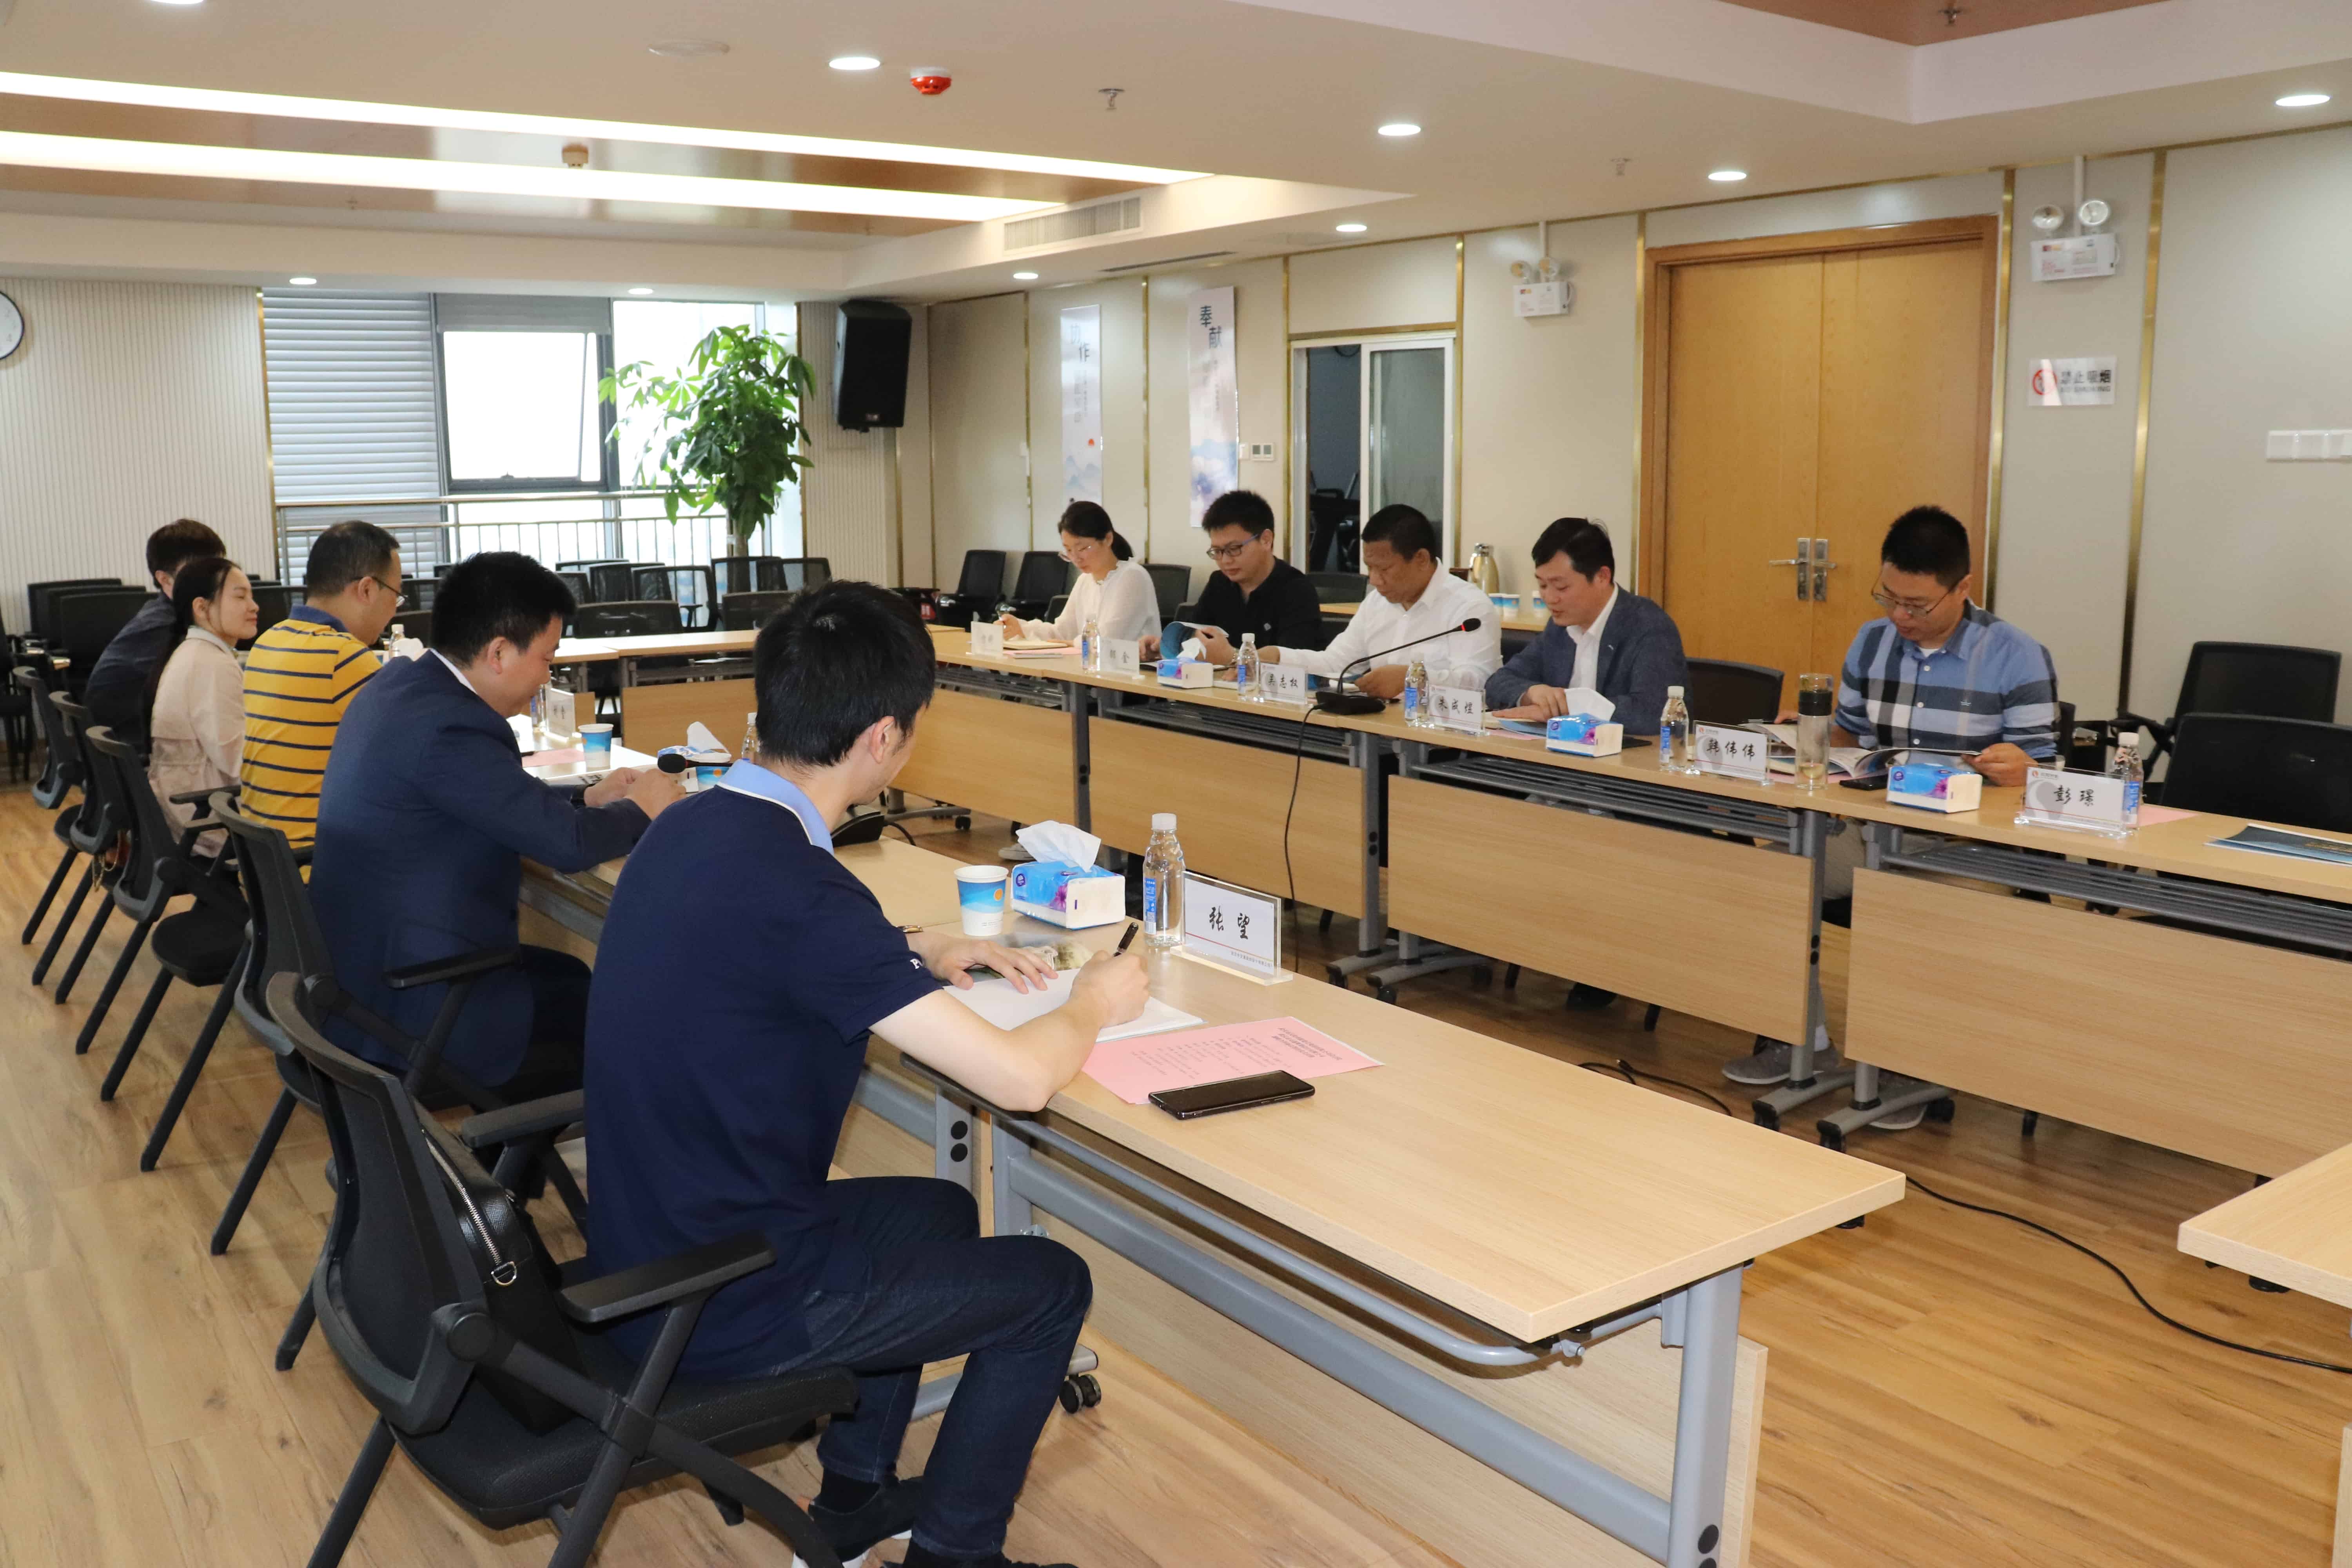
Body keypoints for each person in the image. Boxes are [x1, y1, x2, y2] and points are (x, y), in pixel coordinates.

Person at [586, 581, 1149, 1568]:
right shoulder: (805, 891)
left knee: (936, 1210)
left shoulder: (693, 824)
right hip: (725, 1298)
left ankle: (854, 1492)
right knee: (1051, 1284)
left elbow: (767, 945)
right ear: (885, 736)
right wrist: (1095, 1000)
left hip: (649, 1246)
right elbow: (1022, 1080)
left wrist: (910, 945)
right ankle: (955, 1555)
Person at [310, 552, 680, 1097]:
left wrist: (587, 795)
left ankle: (515, 1147)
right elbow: (568, 845)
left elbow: (486, 797)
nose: (549, 676)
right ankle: (515, 1148)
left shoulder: (402, 688)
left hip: (361, 983)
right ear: (500, 652)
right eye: (547, 658)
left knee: (575, 980)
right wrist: (643, 807)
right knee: (618, 1011)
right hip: (414, 1010)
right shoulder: (453, 727)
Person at [1828, 505, 2059, 788]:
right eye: (1889, 597)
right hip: (1878, 807)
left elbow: (2042, 769)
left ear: (1962, 588)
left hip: (1970, 813)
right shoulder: (1872, 640)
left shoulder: (2017, 655)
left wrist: (2024, 771)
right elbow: (1849, 734)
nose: (1899, 615)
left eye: (1917, 605)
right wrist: (1806, 733)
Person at [241, 520, 406, 846]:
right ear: (367, 590)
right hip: (315, 862)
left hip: (266, 862)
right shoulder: (343, 657)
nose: (394, 612)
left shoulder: (267, 643)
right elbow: (415, 753)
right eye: (396, 596)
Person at [1258, 504, 1499, 697]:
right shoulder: (1376, 603)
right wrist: (1279, 656)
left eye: (1384, 569)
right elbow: (1336, 664)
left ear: (1422, 559)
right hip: (1382, 729)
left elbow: (1479, 682)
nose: (1374, 580)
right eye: (1369, 568)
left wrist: (1412, 678)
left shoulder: (1469, 608)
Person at [1486, 518, 1688, 734]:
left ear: (1602, 577)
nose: (1550, 599)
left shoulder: (1648, 626)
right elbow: (1498, 683)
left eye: (1561, 587)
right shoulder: (1559, 628)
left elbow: (1653, 712)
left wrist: (1565, 708)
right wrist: (1531, 693)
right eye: (1543, 585)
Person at [143, 557, 258, 844]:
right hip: (207, 823)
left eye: (251, 596)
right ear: (201, 608)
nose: (254, 606)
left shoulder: (194, 652)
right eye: (240, 597)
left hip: (186, 812)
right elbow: (239, 764)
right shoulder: (212, 664)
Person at [83, 517, 227, 739]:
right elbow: (205, 690)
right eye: (201, 571)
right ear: (165, 580)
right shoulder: (162, 627)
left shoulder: (169, 614)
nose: (216, 580)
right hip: (132, 746)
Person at [1141, 489, 1323, 662]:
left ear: (1266, 540)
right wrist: (1165, 649)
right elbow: (1196, 638)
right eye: (1217, 551)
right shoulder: (1219, 583)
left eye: (1234, 549)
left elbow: (1295, 665)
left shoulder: (1297, 590)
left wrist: (1233, 657)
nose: (1225, 561)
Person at [998, 501, 1158, 647]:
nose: (1076, 559)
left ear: (1108, 539)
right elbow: (1063, 631)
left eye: (1082, 549)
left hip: (1132, 668)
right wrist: (1022, 628)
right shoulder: (1085, 580)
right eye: (1068, 550)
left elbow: (1109, 640)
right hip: (1091, 666)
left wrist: (1069, 644)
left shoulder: (1132, 577)